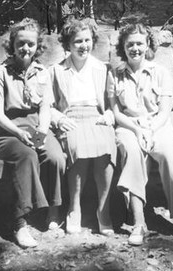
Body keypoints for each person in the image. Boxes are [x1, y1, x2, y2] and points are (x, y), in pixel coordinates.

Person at [107, 23, 173, 246]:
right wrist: (136, 130)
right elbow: (115, 112)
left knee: (169, 154)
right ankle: (139, 222)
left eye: (139, 43)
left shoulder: (160, 72)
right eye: (130, 44)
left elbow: (164, 111)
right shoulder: (115, 75)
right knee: (132, 152)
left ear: (148, 45)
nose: (135, 48)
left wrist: (150, 130)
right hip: (128, 126)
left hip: (157, 126)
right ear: (123, 47)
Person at [0, 18, 66, 248]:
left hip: (35, 126)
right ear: (12, 45)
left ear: (37, 46)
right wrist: (18, 133)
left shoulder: (42, 72)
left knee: (55, 156)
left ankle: (53, 212)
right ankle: (20, 223)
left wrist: (42, 131)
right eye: (20, 43)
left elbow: (45, 109)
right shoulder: (1, 72)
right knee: (27, 156)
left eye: (30, 44)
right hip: (8, 131)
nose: (25, 48)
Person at [50, 18, 116, 236]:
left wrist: (108, 114)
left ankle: (103, 210)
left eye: (87, 40)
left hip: (96, 117)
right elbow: (47, 106)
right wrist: (58, 119)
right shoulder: (57, 71)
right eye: (78, 41)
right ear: (68, 44)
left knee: (106, 147)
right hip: (71, 117)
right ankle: (74, 209)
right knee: (77, 145)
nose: (83, 45)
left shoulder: (101, 69)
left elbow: (111, 102)